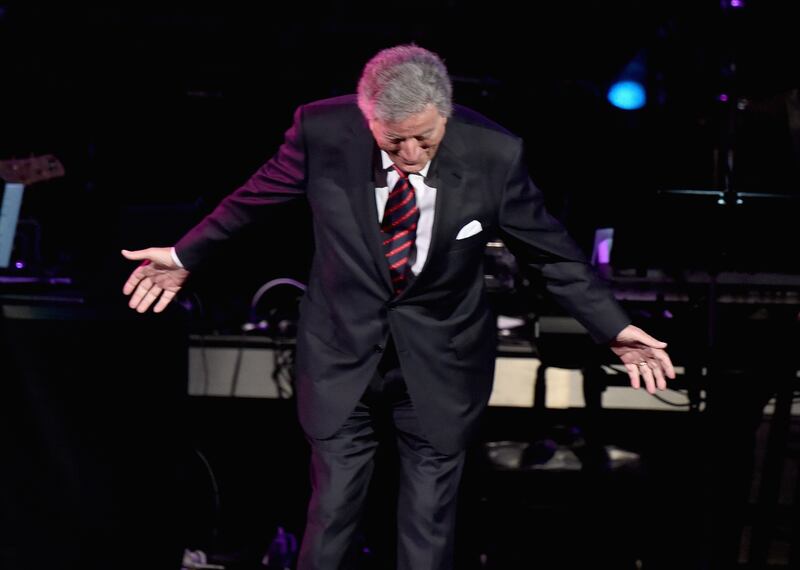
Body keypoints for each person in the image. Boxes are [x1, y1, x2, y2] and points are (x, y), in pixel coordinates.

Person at [122, 45, 675, 570]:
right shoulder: (322, 131)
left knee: (428, 519)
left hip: (441, 360)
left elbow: (554, 256)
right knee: (333, 510)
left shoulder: (495, 154)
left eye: (425, 140)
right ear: (367, 122)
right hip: (343, 352)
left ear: (446, 114)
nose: (410, 157)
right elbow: (253, 200)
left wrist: (616, 329)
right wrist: (184, 253)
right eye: (393, 143)